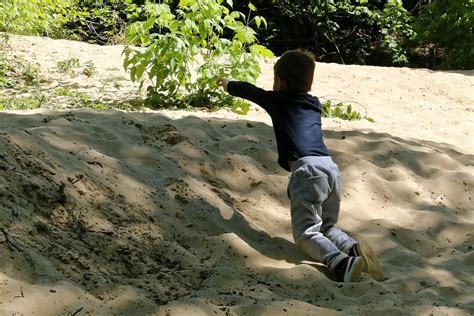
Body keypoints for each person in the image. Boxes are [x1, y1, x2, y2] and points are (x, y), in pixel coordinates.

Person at [218, 50, 382, 282]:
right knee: (327, 226)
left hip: (308, 171)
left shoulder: (277, 100)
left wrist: (227, 84)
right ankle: (353, 249)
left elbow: (251, 92)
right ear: (309, 83)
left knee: (306, 233)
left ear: (280, 82)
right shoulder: (314, 104)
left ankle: (340, 262)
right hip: (330, 168)